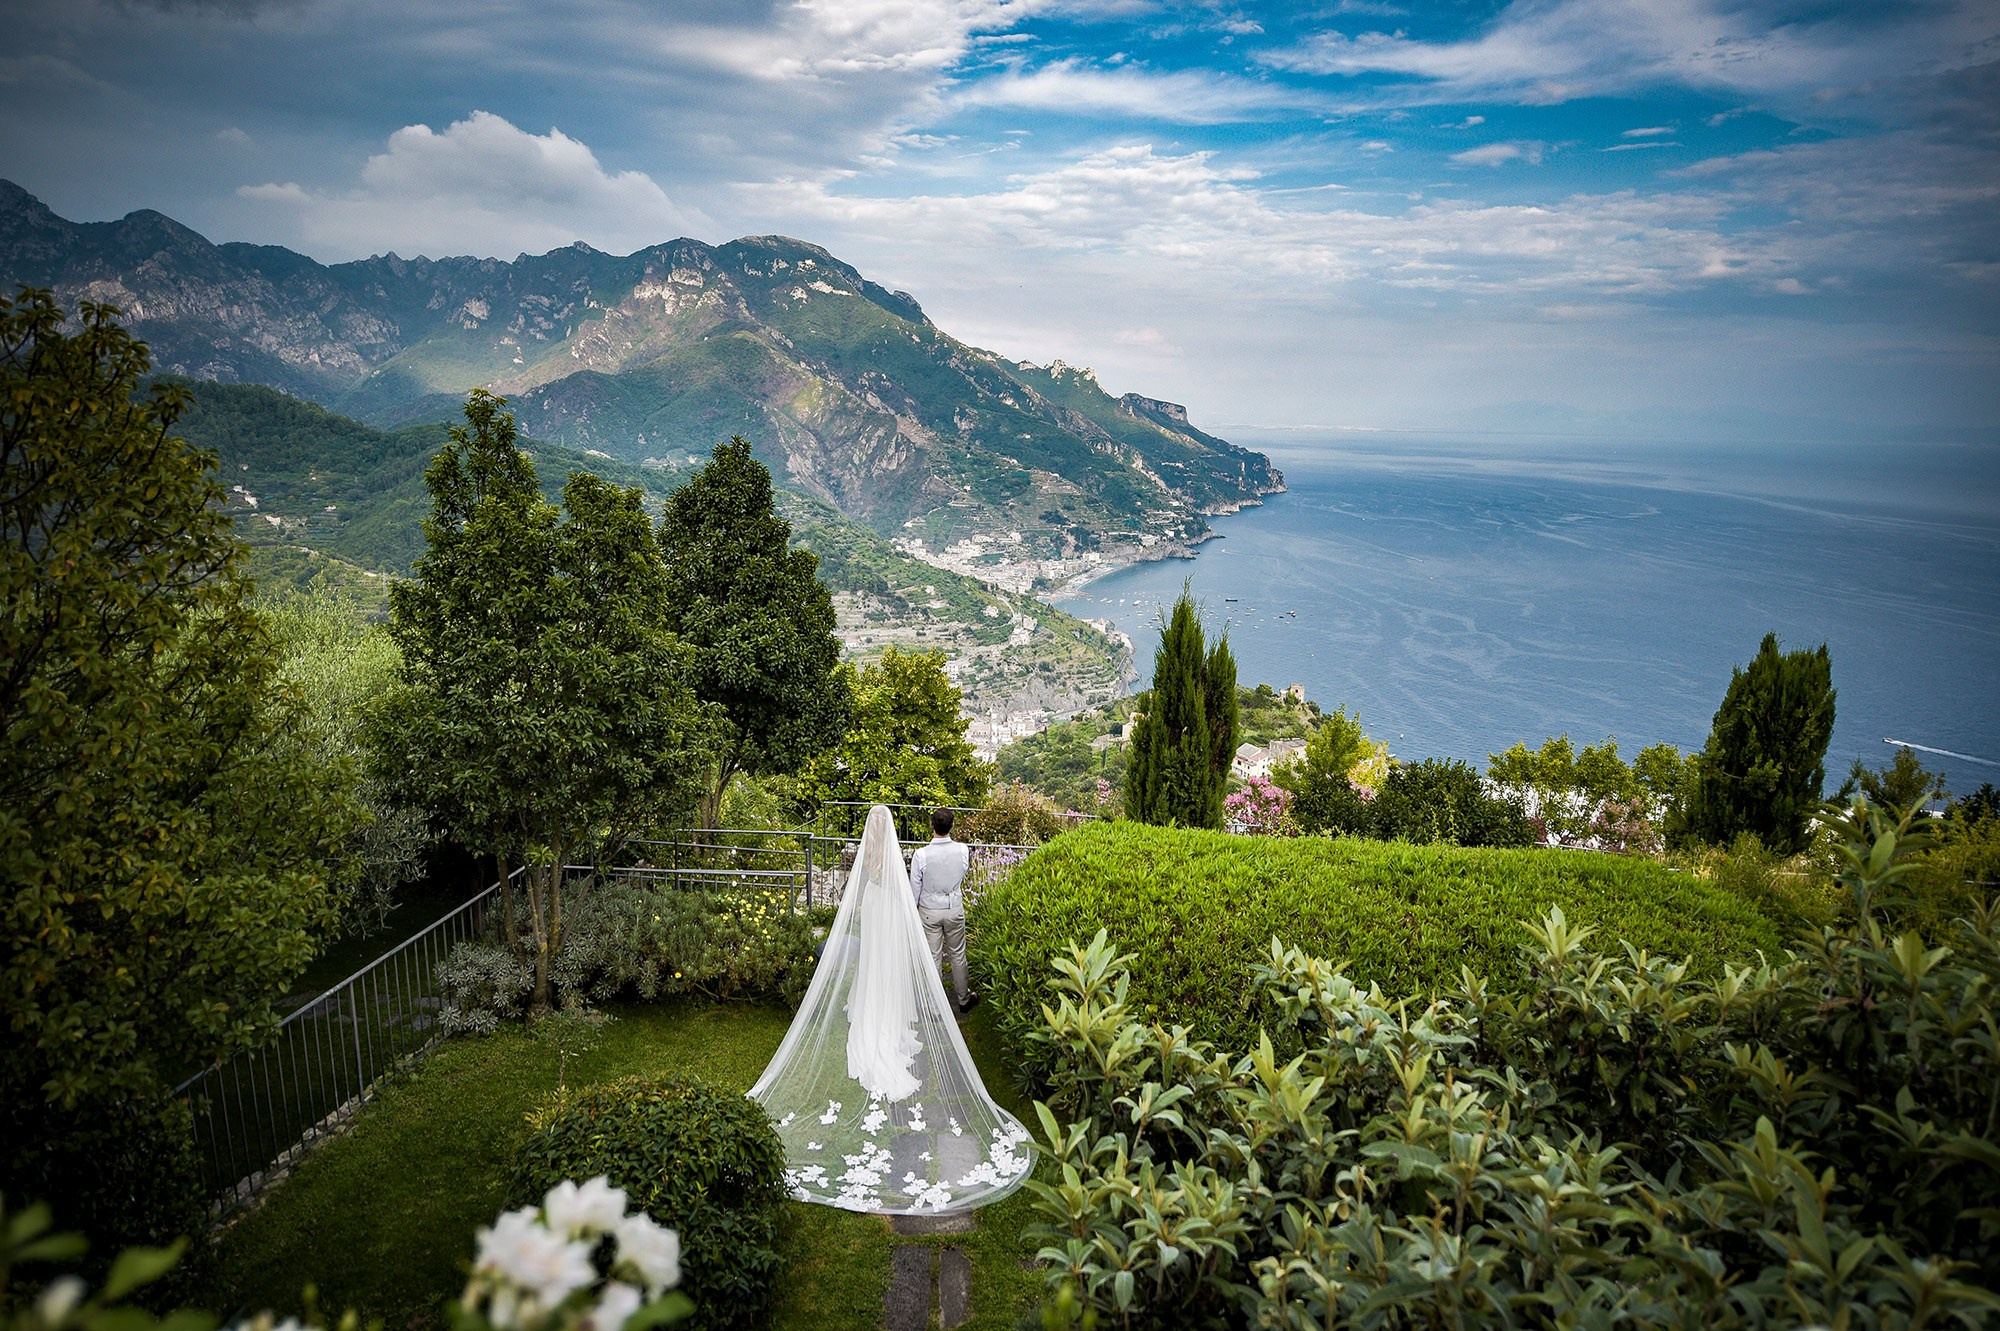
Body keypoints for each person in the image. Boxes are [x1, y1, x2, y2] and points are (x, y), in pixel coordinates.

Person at [909, 807, 976, 1013]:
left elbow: (915, 887)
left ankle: (933, 1005)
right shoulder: (963, 850)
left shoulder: (921, 855)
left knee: (933, 957)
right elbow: (963, 872)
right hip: (954, 906)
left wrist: (914, 909)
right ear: (951, 826)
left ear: (932, 826)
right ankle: (963, 998)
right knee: (958, 954)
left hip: (929, 909)